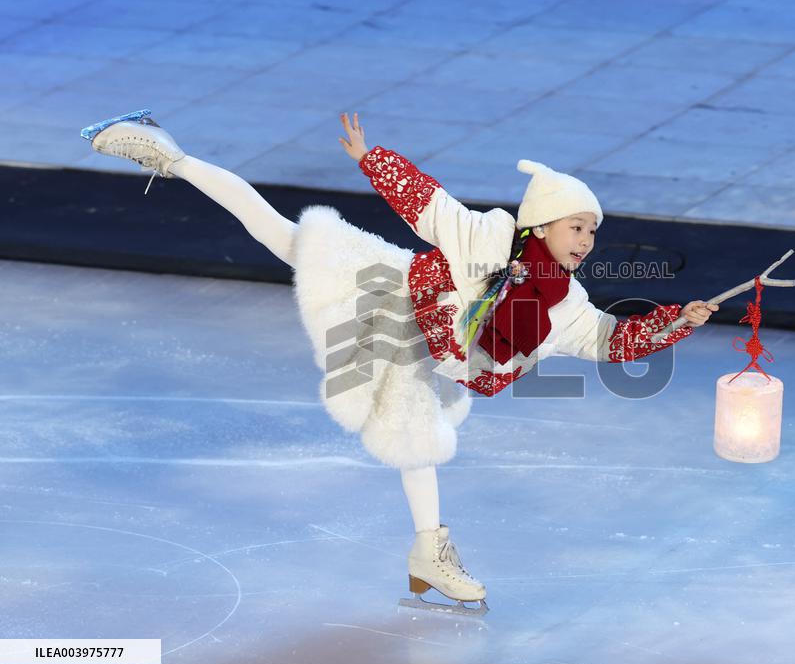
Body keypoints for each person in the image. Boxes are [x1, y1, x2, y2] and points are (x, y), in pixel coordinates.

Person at [80, 109, 718, 616]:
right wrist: (372, 159)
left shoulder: (568, 302)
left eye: (593, 232)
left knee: (416, 432)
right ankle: (174, 157)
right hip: (391, 297)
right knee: (284, 238)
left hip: (428, 349)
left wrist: (675, 323)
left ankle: (427, 550)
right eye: (577, 226)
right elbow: (430, 206)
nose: (586, 240)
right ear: (544, 223)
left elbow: (612, 340)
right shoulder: (492, 235)